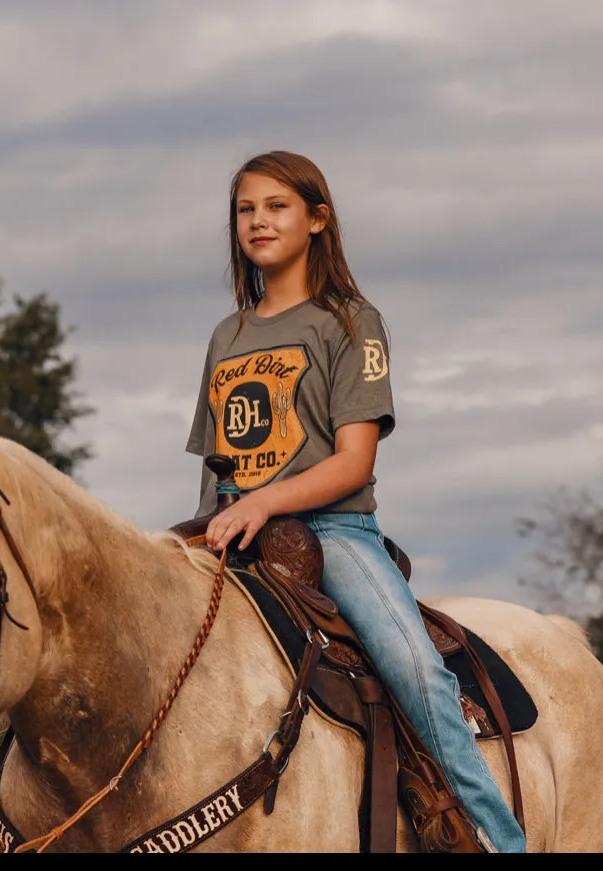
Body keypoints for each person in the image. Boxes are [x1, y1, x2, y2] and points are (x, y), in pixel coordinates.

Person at [184, 150, 525, 853]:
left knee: (416, 670)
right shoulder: (228, 335)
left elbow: (353, 461)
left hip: (331, 531)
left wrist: (261, 504)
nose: (258, 221)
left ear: (317, 219)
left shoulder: (349, 322)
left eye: (277, 206)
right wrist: (203, 532)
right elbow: (219, 468)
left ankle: (495, 837)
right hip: (232, 534)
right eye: (246, 209)